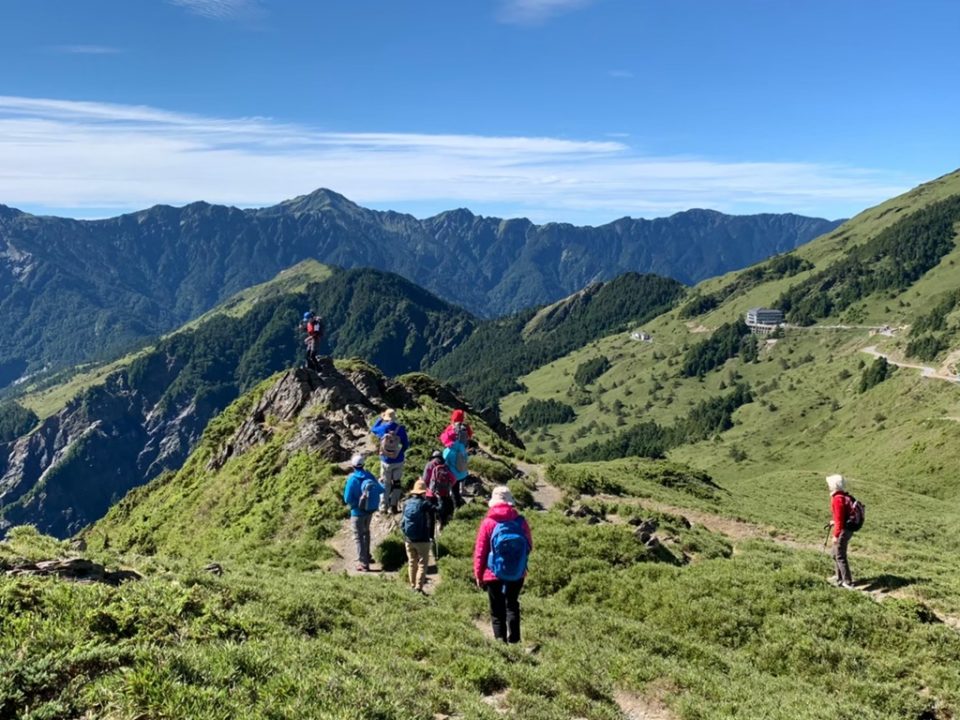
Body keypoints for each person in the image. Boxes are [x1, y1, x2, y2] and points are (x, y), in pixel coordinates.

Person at [473, 486, 533, 644]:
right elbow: (529, 546)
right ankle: (515, 641)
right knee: (512, 605)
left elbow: (480, 551)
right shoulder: (521, 521)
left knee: (497, 610)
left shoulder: (488, 523)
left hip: (492, 574)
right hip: (517, 572)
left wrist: (478, 575)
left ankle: (500, 644)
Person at [342, 453, 382, 572]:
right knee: (366, 533)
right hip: (369, 511)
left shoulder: (352, 479)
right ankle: (367, 556)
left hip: (357, 512)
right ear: (363, 464)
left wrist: (356, 504)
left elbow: (347, 499)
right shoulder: (369, 475)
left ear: (353, 466)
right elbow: (380, 489)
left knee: (358, 536)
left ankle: (363, 563)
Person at [370, 408, 410, 514]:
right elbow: (406, 444)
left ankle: (383, 507)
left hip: (386, 460)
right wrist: (399, 453)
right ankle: (393, 506)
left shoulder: (383, 428)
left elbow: (373, 429)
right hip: (398, 460)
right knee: (397, 483)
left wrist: (380, 419)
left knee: (385, 483)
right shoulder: (400, 429)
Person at [401, 479, 435, 593]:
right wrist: (436, 499)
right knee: (422, 564)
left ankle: (412, 585)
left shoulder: (406, 503)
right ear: (424, 492)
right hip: (422, 539)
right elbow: (438, 509)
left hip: (408, 539)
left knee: (411, 562)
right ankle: (418, 588)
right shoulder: (424, 503)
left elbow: (402, 522)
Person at [827, 473, 856, 589]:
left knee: (839, 555)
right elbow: (841, 517)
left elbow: (839, 520)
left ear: (834, 485)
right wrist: (834, 522)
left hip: (843, 530)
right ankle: (839, 578)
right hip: (846, 529)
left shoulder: (837, 499)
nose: (828, 486)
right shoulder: (842, 496)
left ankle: (847, 582)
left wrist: (835, 535)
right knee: (835, 554)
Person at [423, 450, 456, 532]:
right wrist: (448, 487)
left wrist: (428, 489)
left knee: (430, 516)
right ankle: (442, 528)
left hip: (431, 494)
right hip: (443, 493)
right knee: (442, 512)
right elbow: (454, 479)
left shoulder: (429, 465)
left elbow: (425, 480)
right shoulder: (445, 466)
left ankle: (431, 535)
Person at [442, 438, 469, 508]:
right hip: (463, 473)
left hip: (454, 476)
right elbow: (467, 458)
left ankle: (457, 508)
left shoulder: (447, 451)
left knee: (455, 492)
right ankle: (460, 501)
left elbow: (444, 463)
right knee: (457, 491)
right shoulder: (461, 446)